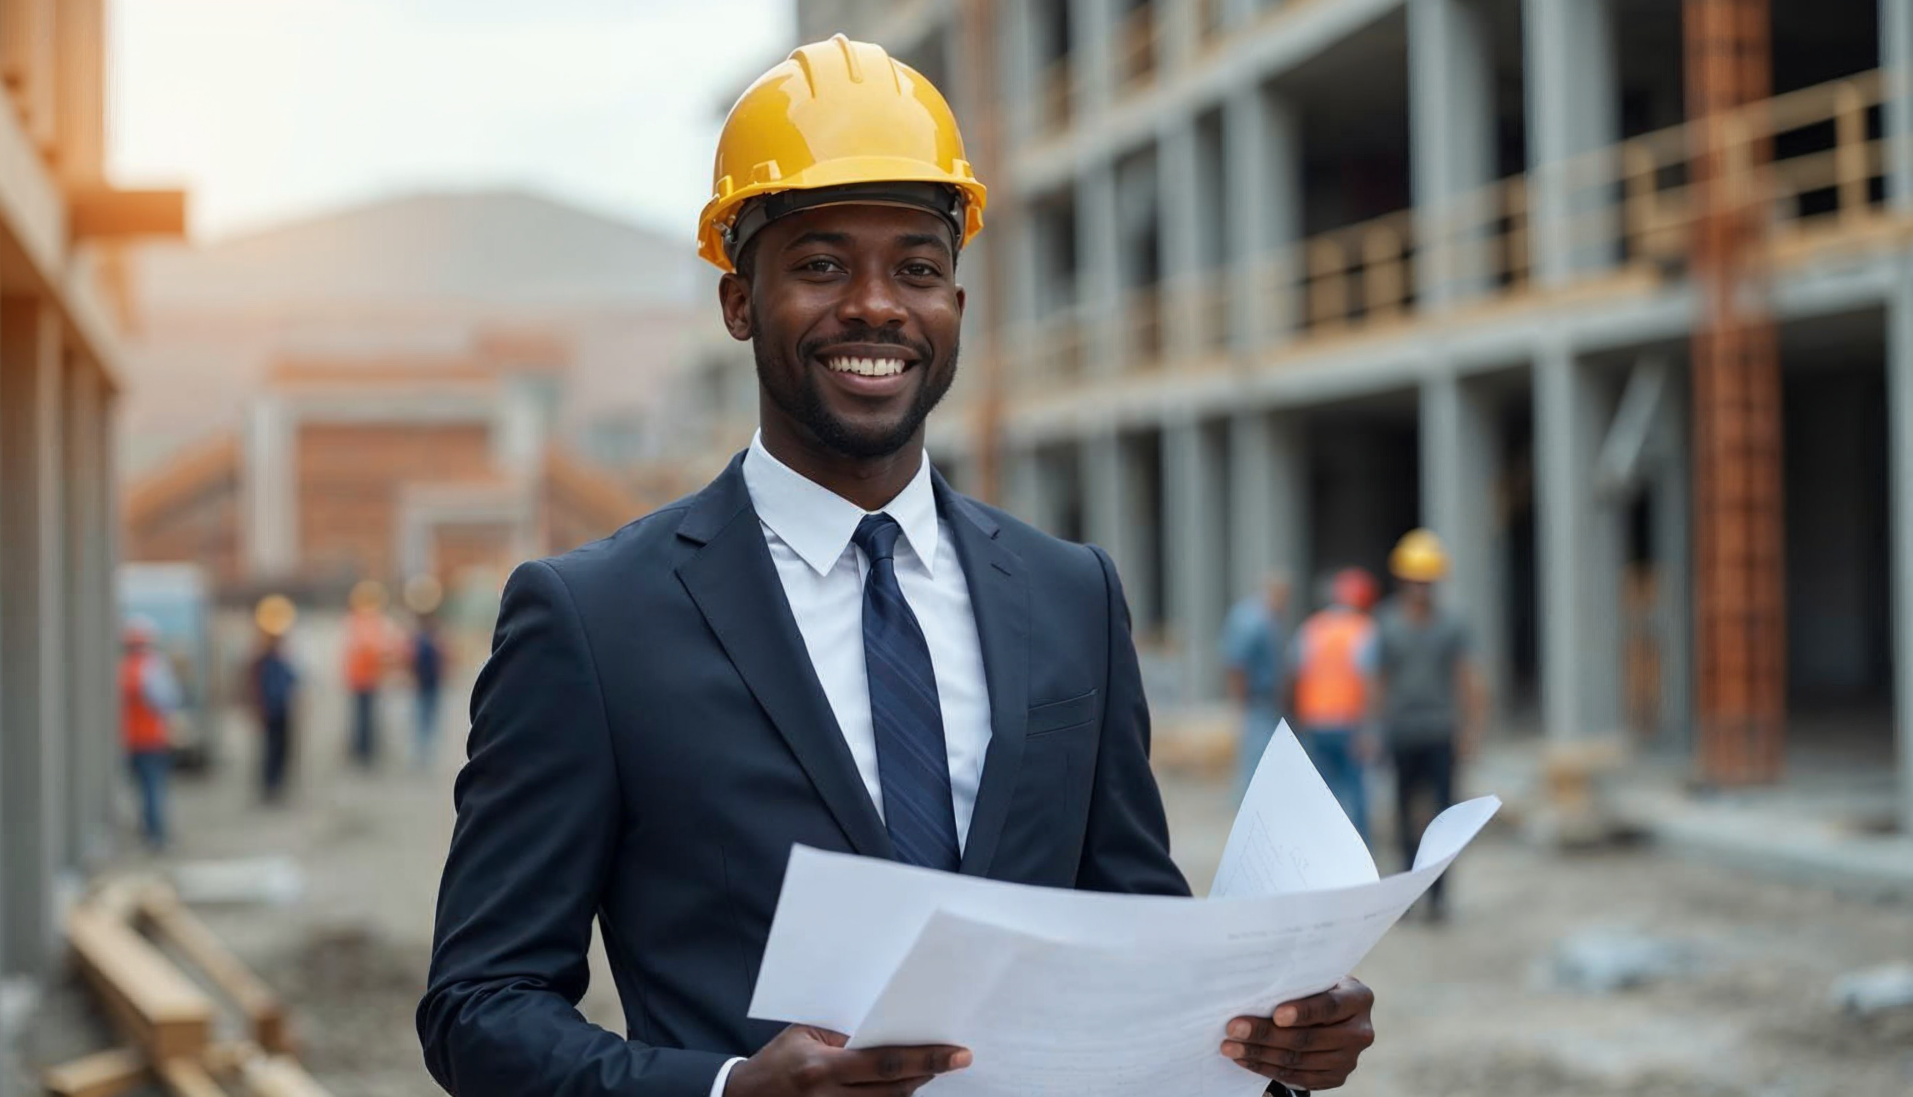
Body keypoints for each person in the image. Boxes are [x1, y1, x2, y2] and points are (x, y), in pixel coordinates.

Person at [419, 36, 1375, 1097]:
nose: (876, 304)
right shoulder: (596, 622)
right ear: (739, 302)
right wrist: (730, 1089)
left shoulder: (1069, 595)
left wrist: (1276, 1037)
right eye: (822, 264)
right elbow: (480, 1006)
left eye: (917, 266)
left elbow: (1136, 939)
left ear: (956, 308)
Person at [1373, 529, 1486, 924]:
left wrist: (1470, 729)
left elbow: (1466, 676)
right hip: (1402, 732)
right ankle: (1405, 895)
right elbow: (1379, 678)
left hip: (1440, 732)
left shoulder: (1452, 624)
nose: (1422, 589)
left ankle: (1438, 899)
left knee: (1443, 820)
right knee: (1404, 816)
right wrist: (1371, 728)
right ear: (1403, 580)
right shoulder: (1386, 623)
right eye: (1416, 581)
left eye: (1428, 582)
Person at [1290, 568, 1380, 843]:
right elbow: (1372, 681)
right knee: (1357, 791)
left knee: (1323, 793)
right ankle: (1360, 851)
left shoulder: (1312, 628)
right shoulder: (1363, 630)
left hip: (1315, 720)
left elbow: (1294, 673)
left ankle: (1325, 848)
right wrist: (1371, 727)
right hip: (1350, 722)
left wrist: (1295, 716)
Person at [1220, 571, 1290, 804]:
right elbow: (1236, 664)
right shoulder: (1253, 620)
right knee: (1256, 760)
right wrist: (1239, 703)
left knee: (1263, 758)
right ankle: (1251, 808)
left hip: (1266, 700)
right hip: (1256, 700)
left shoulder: (1267, 618)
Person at [120, 616, 182, 851]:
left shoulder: (123, 669)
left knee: (141, 790)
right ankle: (157, 836)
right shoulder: (152, 668)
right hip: (152, 739)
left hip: (130, 740)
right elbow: (167, 700)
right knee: (154, 789)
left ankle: (147, 830)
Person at [250, 594, 300, 804]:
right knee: (270, 751)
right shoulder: (261, 659)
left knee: (282, 750)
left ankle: (278, 784)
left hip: (282, 709)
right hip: (269, 710)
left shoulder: (281, 657)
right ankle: (270, 786)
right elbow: (255, 686)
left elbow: (293, 679)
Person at [342, 579, 396, 769]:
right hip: (362, 677)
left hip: (368, 677)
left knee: (365, 715)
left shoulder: (363, 621)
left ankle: (363, 747)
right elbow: (368, 647)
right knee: (363, 716)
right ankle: (362, 749)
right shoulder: (363, 622)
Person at [406, 575, 448, 768]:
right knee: (423, 716)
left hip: (431, 680)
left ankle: (425, 752)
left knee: (427, 717)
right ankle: (422, 752)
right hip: (423, 680)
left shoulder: (434, 632)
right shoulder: (418, 633)